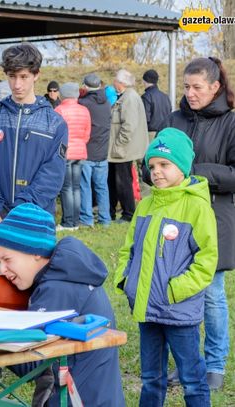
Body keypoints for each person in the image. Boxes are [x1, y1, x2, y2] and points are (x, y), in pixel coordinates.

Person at [0, 42, 67, 391]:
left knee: (34, 290)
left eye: (24, 77)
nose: (17, 84)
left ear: (36, 76)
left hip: (31, 224)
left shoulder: (54, 122)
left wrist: (16, 214)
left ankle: (40, 362)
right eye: (11, 77)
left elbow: (51, 176)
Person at [115, 128, 217, 406]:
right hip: (146, 309)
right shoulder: (146, 204)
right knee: (150, 377)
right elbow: (129, 247)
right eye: (151, 166)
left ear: (182, 167)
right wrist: (127, 280)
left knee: (192, 379)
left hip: (178, 311)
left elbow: (206, 260)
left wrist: (175, 290)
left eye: (164, 164)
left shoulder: (197, 207)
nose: (156, 171)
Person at [0, 203, 125, 406]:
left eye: (7, 259)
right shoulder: (66, 274)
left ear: (35, 252)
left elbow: (33, 365)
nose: (2, 269)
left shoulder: (57, 289)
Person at [155, 57, 235, 391]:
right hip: (174, 222)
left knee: (212, 295)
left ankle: (214, 366)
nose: (190, 93)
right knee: (177, 296)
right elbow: (156, 162)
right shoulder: (174, 120)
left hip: (215, 221)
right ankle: (188, 364)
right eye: (186, 86)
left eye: (197, 87)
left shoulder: (231, 123)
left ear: (215, 87)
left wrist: (194, 172)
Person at [107, 69, 148, 223]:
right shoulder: (125, 97)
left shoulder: (129, 98)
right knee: (115, 180)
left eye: (115, 80)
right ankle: (113, 211)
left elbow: (128, 126)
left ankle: (128, 213)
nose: (113, 83)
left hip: (123, 150)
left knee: (122, 181)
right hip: (120, 150)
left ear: (121, 83)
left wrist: (118, 146)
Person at [55, 82, 90, 231]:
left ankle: (68, 222)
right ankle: (75, 220)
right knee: (76, 187)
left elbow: (55, 134)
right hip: (80, 151)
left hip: (65, 152)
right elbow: (87, 133)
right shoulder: (84, 110)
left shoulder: (59, 110)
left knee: (66, 188)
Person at [78, 73, 112, 227]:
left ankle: (87, 219)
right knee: (102, 187)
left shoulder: (83, 103)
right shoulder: (107, 103)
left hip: (87, 151)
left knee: (85, 187)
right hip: (103, 152)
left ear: (85, 86)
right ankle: (105, 219)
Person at [141, 69, 171, 142]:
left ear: (145, 81)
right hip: (165, 133)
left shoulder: (146, 96)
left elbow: (145, 118)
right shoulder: (165, 96)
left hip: (150, 134)